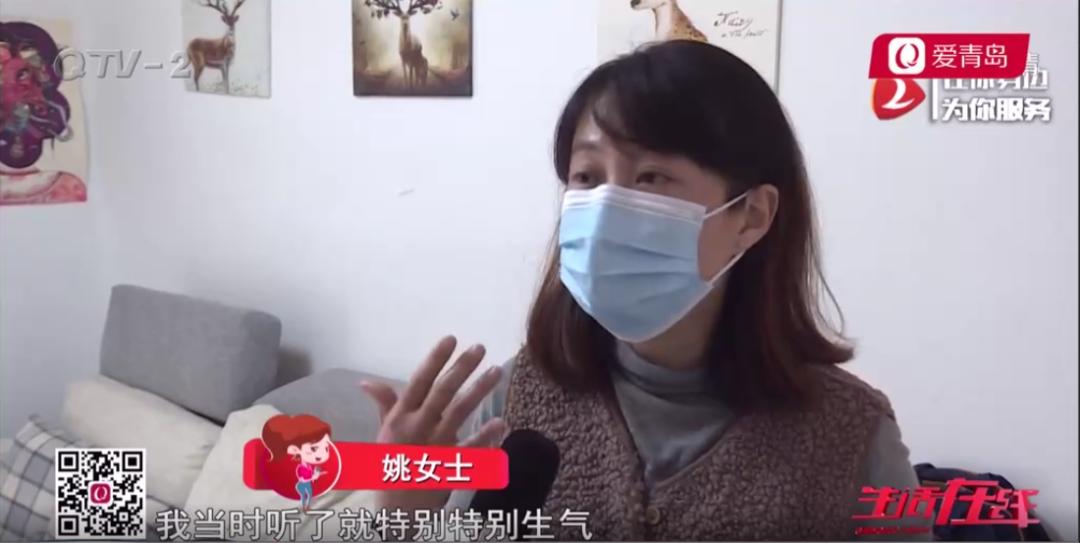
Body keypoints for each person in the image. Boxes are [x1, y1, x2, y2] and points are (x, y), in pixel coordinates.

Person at [359, 40, 928, 540]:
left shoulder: (855, 438)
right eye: (586, 177)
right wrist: (399, 518)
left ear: (751, 216)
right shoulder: (516, 398)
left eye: (651, 177)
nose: (607, 208)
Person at [261, 414, 333, 513]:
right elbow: (305, 478)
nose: (323, 454)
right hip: (302, 485)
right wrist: (316, 475)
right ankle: (305, 507)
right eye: (313, 449)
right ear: (294, 449)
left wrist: (318, 474)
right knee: (306, 496)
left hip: (307, 485)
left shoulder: (308, 465)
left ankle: (306, 507)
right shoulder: (299, 468)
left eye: (326, 448)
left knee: (309, 495)